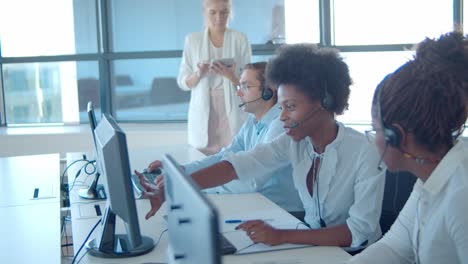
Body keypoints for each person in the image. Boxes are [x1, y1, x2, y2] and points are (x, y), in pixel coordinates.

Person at [137, 44, 385, 249]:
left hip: (354, 255)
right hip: (313, 248)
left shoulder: (364, 152)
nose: (282, 116)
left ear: (324, 102)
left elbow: (357, 233)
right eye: (281, 107)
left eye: (290, 107)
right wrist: (174, 187)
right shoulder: (293, 142)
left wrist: (282, 235)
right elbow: (237, 165)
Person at [347, 32, 468, 264]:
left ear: (397, 135)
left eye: (376, 129)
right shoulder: (430, 177)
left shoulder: (461, 195)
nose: (374, 140)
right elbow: (394, 248)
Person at [147, 62, 303, 213]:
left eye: (246, 87)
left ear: (268, 91)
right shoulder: (253, 120)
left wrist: (192, 185)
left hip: (282, 212)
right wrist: (183, 171)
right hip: (256, 203)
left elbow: (251, 181)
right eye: (239, 86)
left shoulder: (281, 124)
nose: (238, 92)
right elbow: (225, 155)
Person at [177, 0, 251, 155]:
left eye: (224, 12)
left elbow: (248, 82)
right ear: (204, 12)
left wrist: (230, 76)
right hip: (204, 108)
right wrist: (199, 73)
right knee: (203, 161)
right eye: (213, 12)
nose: (219, 18)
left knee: (233, 156)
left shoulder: (240, 39)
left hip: (231, 108)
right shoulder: (192, 40)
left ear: (230, 12)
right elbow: (183, 82)